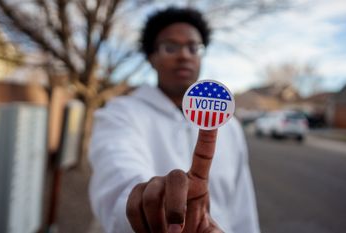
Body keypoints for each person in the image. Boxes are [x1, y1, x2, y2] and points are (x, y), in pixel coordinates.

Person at [89, 7, 260, 233]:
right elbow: (116, 174)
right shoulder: (121, 114)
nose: (184, 55)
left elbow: (242, 207)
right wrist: (147, 203)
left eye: (194, 47)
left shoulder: (229, 126)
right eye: (170, 47)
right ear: (152, 58)